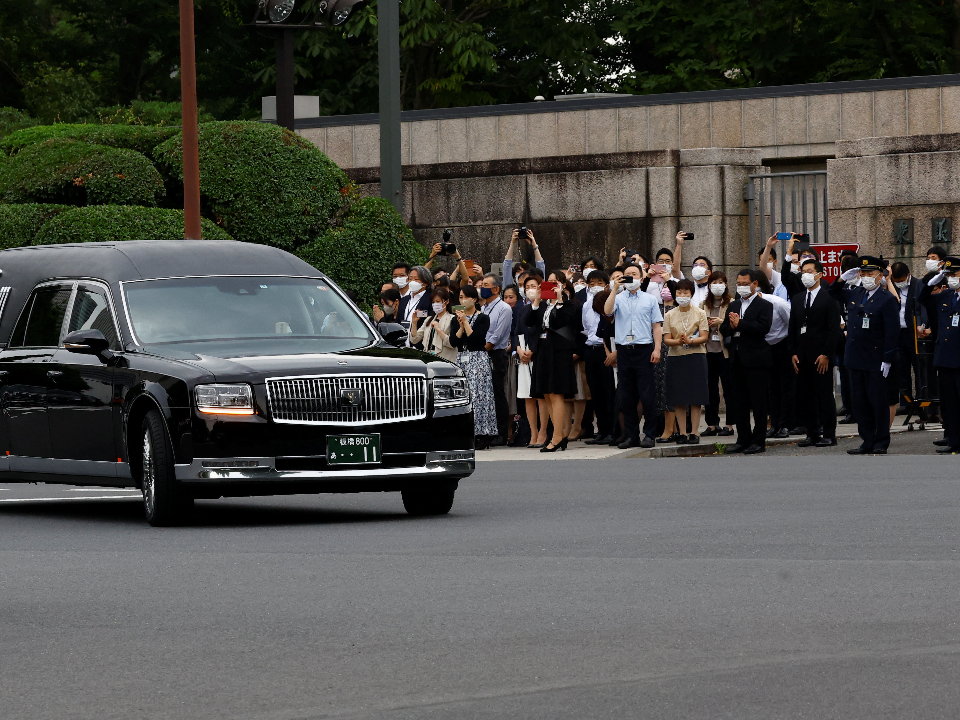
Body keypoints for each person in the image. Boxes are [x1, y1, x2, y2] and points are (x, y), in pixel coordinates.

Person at [829, 255, 900, 455]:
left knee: (877, 402)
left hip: (876, 359)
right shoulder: (855, 293)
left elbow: (892, 332)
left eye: (871, 273)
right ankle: (867, 440)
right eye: (863, 273)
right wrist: (843, 277)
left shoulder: (887, 299)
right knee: (860, 403)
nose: (867, 277)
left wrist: (887, 359)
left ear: (880, 275)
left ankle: (881, 441)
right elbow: (832, 292)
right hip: (854, 357)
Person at [603, 263, 663, 449]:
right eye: (626, 274)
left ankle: (650, 434)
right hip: (624, 350)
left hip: (644, 349)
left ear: (641, 277)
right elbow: (607, 311)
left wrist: (657, 348)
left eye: (633, 274)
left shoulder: (650, 299)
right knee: (627, 396)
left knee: (647, 395)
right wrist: (614, 288)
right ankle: (631, 435)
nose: (630, 277)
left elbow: (656, 325)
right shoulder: (618, 298)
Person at [789, 258, 842, 447]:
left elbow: (833, 330)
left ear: (819, 274)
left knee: (824, 396)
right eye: (803, 271)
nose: (806, 275)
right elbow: (793, 327)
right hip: (802, 355)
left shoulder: (829, 299)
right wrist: (793, 352)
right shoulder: (797, 299)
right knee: (805, 396)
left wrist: (827, 354)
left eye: (810, 271)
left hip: (821, 356)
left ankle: (829, 434)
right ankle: (812, 433)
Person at [525, 270, 581, 452]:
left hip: (559, 352)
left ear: (563, 285)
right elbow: (528, 321)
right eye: (549, 282)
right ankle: (557, 435)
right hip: (543, 350)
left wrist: (559, 301)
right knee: (546, 393)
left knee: (557, 393)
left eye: (555, 282)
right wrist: (537, 300)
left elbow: (559, 322)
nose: (551, 284)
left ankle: (558, 436)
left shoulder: (569, 305)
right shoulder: (543, 305)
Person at [720, 269, 774, 454]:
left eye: (745, 283)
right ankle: (743, 438)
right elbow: (724, 328)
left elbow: (763, 327)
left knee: (758, 402)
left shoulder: (764, 305)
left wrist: (740, 324)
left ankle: (758, 441)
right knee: (738, 401)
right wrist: (731, 326)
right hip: (736, 359)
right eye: (739, 283)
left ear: (754, 284)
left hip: (756, 360)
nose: (742, 287)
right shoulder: (734, 305)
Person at [918, 257, 960, 452]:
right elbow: (923, 298)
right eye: (949, 275)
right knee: (949, 402)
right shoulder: (946, 295)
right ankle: (952, 437)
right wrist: (934, 279)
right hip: (945, 357)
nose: (951, 279)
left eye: (954, 274)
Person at [662, 279, 710, 444]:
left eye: (685, 292)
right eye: (679, 293)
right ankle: (682, 432)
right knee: (679, 397)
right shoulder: (669, 314)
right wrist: (679, 342)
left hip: (696, 356)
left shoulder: (700, 313)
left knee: (696, 397)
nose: (682, 296)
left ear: (691, 294)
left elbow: (704, 336)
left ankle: (694, 432)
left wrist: (690, 341)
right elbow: (667, 339)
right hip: (676, 357)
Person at [451, 285, 498, 447]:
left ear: (474, 299)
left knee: (479, 396)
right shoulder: (454, 319)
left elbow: (476, 340)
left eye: (465, 297)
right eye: (460, 297)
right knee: (463, 395)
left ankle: (482, 433)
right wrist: (461, 325)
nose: (462, 300)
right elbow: (454, 342)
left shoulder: (483, 318)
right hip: (461, 358)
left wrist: (465, 322)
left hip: (477, 358)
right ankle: (464, 432)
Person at [756, 272, 795, 438]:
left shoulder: (777, 303)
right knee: (772, 388)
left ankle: (786, 424)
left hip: (783, 345)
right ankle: (775, 423)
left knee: (786, 387)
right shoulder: (745, 304)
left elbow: (791, 323)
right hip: (766, 347)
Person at [514, 275, 551, 448]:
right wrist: (519, 350)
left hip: (539, 354)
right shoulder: (522, 309)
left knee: (540, 396)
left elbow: (542, 330)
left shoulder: (546, 307)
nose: (530, 289)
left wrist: (532, 349)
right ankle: (533, 433)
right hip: (522, 356)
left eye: (534, 286)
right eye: (527, 286)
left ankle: (543, 432)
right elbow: (516, 332)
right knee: (527, 397)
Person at [478, 272, 513, 446]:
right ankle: (488, 431)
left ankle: (502, 432)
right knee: (486, 395)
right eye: (482, 285)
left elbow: (497, 336)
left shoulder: (504, 308)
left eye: (485, 285)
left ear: (496, 289)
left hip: (495, 354)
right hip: (482, 353)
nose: (482, 288)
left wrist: (482, 351)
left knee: (498, 393)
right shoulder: (484, 307)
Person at [582, 270, 616, 444]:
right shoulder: (587, 305)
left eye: (599, 282)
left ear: (607, 284)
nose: (596, 286)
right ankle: (601, 430)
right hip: (591, 349)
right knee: (595, 392)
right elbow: (586, 328)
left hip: (608, 351)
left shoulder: (612, 301)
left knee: (609, 391)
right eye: (592, 283)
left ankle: (612, 430)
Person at [889, 261, 927, 415]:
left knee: (919, 369)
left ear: (908, 275)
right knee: (901, 369)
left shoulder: (919, 285)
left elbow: (922, 308)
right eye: (895, 282)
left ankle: (920, 401)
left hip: (914, 334)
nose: (898, 284)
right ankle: (905, 402)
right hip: (898, 334)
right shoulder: (890, 287)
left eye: (901, 281)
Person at [701, 271, 734, 437]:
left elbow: (735, 326)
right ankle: (712, 424)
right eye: (714, 282)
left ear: (726, 284)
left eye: (721, 282)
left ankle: (729, 424)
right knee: (710, 390)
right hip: (708, 352)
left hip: (725, 352)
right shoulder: (703, 305)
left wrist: (722, 322)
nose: (717, 285)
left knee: (729, 389)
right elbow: (697, 325)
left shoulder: (732, 303)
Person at [410, 287, 457, 362]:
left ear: (447, 302)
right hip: (428, 358)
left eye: (438, 301)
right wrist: (414, 323)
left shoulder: (452, 319)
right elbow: (414, 339)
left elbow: (451, 343)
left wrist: (438, 329)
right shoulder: (428, 319)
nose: (435, 304)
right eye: (433, 302)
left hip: (445, 359)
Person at [397, 265, 433, 333]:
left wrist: (419, 314)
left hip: (419, 339)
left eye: (416, 279)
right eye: (410, 279)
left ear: (425, 282)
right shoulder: (404, 300)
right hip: (403, 340)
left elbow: (428, 315)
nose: (412, 282)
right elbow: (398, 320)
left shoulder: (430, 299)